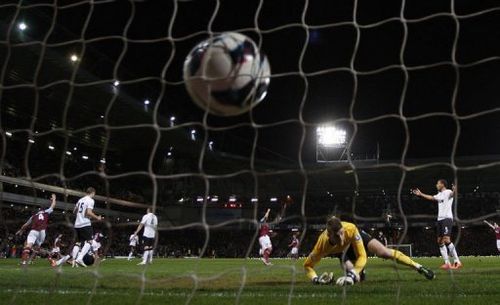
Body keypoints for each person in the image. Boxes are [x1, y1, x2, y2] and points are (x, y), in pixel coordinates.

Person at [304, 216, 434, 286]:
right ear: (329, 235)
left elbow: (362, 255)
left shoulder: (350, 229)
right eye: (337, 236)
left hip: (355, 240)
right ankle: (360, 271)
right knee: (355, 280)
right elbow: (307, 265)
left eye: (342, 233)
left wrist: (353, 273)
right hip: (342, 252)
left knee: (383, 252)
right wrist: (315, 279)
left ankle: (418, 266)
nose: (341, 237)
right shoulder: (321, 245)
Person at [412, 179, 462, 269]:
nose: (436, 185)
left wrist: (455, 189)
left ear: (442, 184)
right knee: (440, 241)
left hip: (447, 218)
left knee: (446, 239)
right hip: (440, 220)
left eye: (438, 183)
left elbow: (453, 194)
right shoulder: (439, 194)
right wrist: (421, 194)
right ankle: (447, 263)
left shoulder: (448, 191)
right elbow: (431, 197)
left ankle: (457, 261)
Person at [16, 194, 57, 265]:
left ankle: (23, 261)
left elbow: (25, 225)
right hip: (42, 232)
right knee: (38, 248)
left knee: (28, 246)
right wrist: (54, 199)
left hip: (34, 231)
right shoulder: (46, 212)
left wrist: (20, 230)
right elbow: (53, 205)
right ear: (44, 209)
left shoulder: (34, 216)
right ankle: (51, 260)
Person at [71, 187, 102, 267]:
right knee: (90, 241)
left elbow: (74, 211)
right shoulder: (91, 200)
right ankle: (80, 258)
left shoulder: (80, 200)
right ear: (93, 192)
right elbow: (88, 212)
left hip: (77, 224)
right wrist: (97, 217)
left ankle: (73, 260)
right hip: (85, 224)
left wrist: (80, 215)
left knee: (78, 243)